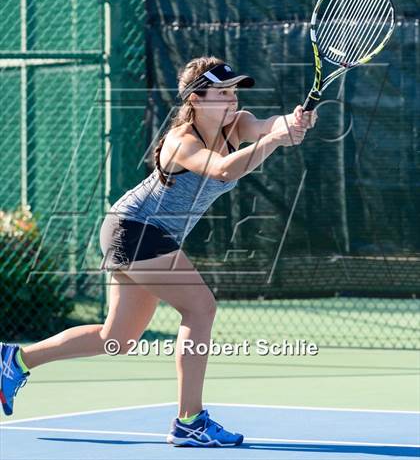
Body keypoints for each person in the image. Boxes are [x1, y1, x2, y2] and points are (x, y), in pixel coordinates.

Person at [0, 56, 316, 447]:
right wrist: (272, 141)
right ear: (195, 99)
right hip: (136, 229)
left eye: (233, 92)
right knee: (200, 308)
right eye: (221, 93)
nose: (231, 100)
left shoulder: (239, 123)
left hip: (142, 234)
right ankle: (190, 421)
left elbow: (269, 126)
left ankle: (15, 361)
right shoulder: (180, 141)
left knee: (117, 338)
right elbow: (221, 169)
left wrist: (291, 123)